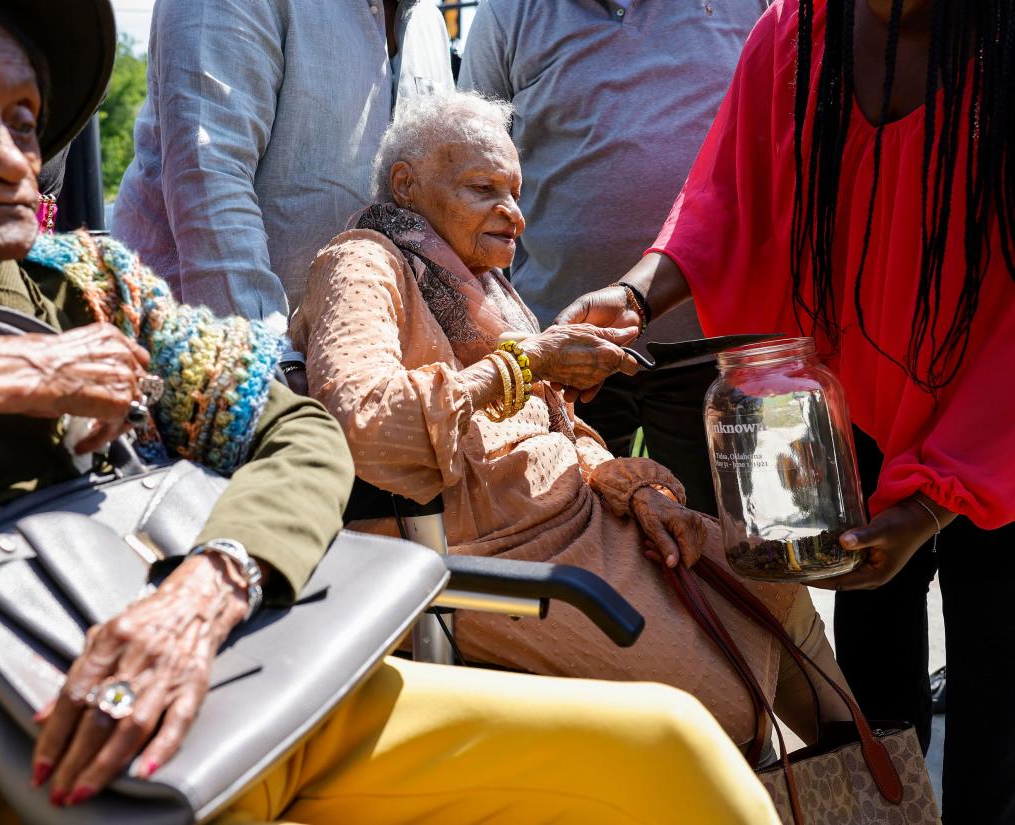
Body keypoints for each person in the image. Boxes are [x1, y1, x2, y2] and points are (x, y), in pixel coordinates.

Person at [0, 3, 783, 823]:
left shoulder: (83, 285)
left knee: (674, 749)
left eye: (27, 119)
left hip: (245, 689)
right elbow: (232, 215)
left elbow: (296, 429)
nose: (5, 155)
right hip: (25, 762)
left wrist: (215, 579)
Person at [557, 1, 1015, 821]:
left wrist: (932, 505)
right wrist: (634, 295)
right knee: (873, 695)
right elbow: (722, 198)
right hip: (860, 426)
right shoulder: (797, 32)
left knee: (999, 710)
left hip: (999, 428)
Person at [291, 90, 854, 751]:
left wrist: (632, 487)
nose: (515, 216)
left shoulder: (481, 283)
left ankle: (866, 793)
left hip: (585, 523)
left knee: (767, 583)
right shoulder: (362, 261)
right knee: (724, 703)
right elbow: (362, 424)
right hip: (496, 557)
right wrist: (524, 362)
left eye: (517, 192)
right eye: (485, 189)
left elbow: (554, 428)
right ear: (406, 184)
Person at [459, 0, 770, 516]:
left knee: (725, 547)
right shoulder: (508, 13)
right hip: (560, 352)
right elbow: (472, 161)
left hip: (710, 351)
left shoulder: (750, 8)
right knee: (573, 536)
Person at [111, 0, 453, 338]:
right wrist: (272, 359)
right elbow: (210, 180)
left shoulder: (427, 21)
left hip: (361, 360)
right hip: (199, 355)